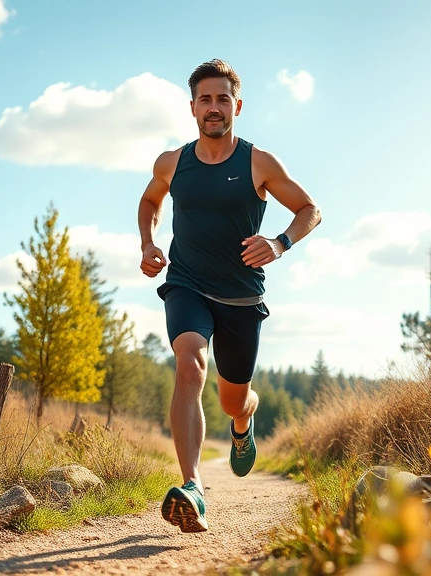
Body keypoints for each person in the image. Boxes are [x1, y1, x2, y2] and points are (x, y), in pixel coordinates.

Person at [137, 59, 322, 533]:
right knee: (190, 362)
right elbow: (150, 200)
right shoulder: (172, 162)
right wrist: (149, 242)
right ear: (192, 107)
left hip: (241, 297)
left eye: (223, 99)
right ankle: (193, 487)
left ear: (236, 106)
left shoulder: (258, 162)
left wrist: (279, 243)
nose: (214, 108)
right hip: (187, 285)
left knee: (232, 402)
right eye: (205, 99)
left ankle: (244, 421)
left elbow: (309, 210)